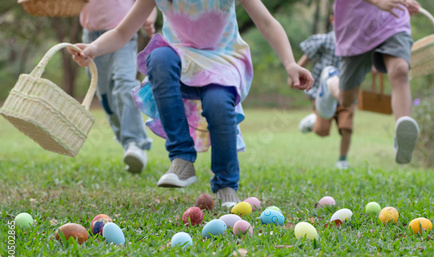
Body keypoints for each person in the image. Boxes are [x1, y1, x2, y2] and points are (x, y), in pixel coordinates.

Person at [70, 0, 314, 207]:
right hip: (181, 56)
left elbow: (267, 23)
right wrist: (93, 48)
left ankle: (226, 183)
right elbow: (122, 32)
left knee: (218, 104)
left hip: (223, 58)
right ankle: (182, 159)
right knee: (159, 56)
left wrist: (290, 63)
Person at [315, 0, 421, 165]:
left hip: (392, 21)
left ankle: (401, 136)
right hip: (356, 28)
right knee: (347, 99)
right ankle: (330, 81)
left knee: (400, 69)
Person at [79, 1, 156, 173]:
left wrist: (149, 18)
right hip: (91, 37)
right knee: (107, 100)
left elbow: (148, 3)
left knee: (124, 83)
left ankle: (135, 143)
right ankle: (127, 144)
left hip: (124, 32)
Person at [296, 13, 355, 170]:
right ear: (332, 20)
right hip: (324, 92)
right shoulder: (325, 40)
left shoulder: (356, 43)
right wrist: (294, 75)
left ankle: (342, 159)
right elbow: (307, 56)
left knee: (346, 127)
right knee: (321, 131)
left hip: (346, 92)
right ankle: (314, 121)